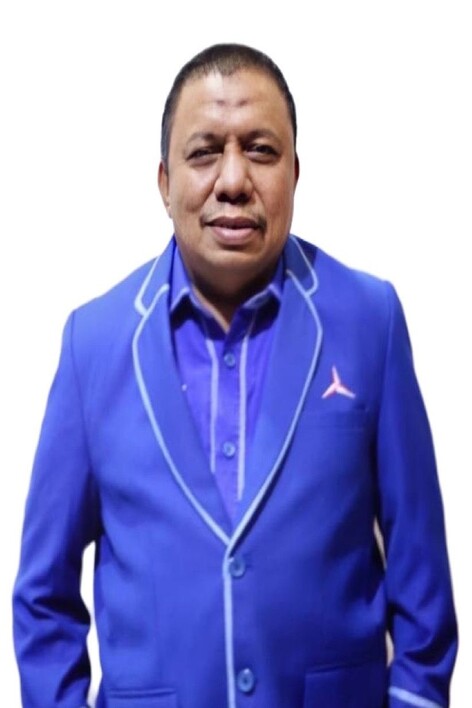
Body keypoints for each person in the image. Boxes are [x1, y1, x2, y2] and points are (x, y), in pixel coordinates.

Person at [13, 43, 457, 708]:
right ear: (164, 183)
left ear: (295, 173)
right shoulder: (93, 344)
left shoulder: (370, 321)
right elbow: (43, 595)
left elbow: (421, 575)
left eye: (260, 150)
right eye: (203, 153)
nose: (232, 180)